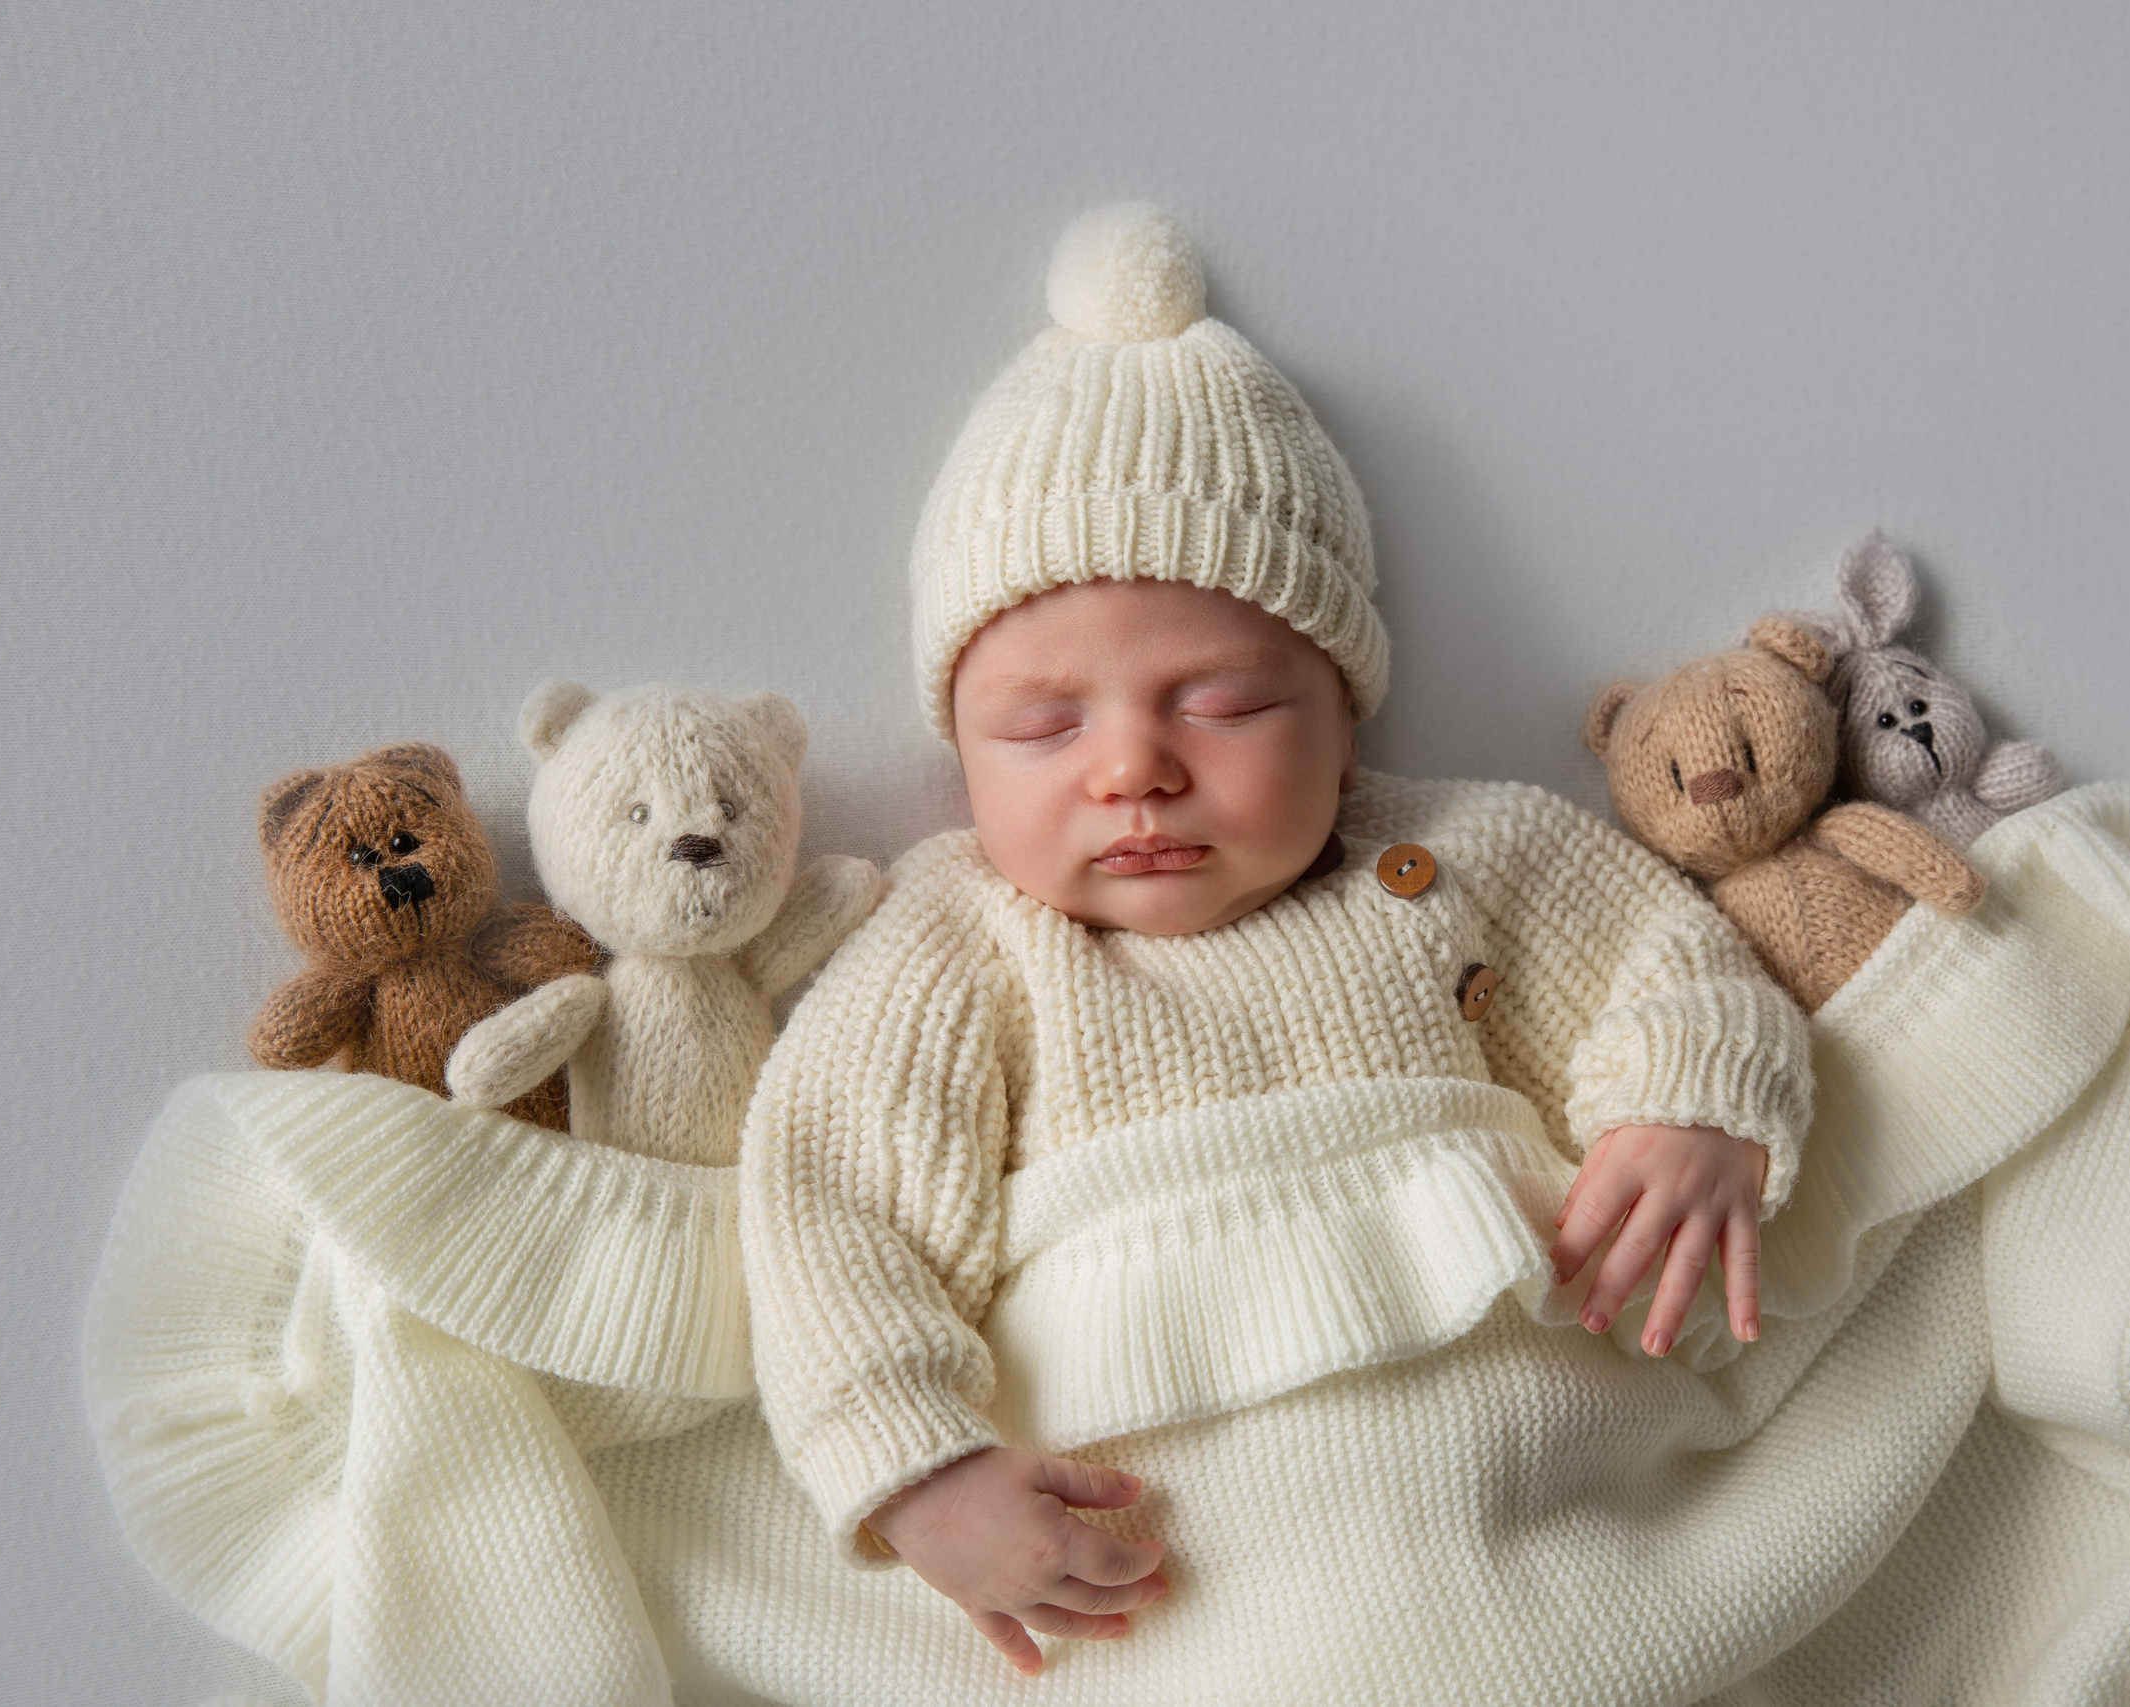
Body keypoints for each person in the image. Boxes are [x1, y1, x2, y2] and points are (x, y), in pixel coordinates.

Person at [738, 203, 1811, 1676]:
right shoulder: (962, 948)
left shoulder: (1457, 856)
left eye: (1226, 704)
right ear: (963, 744)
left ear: (1345, 704)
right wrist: (918, 1468)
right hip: (1192, 1575)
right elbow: (829, 1210)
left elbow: (1671, 961)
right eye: (1044, 725)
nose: (1131, 770)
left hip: (1542, 1502)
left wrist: (1695, 1113)